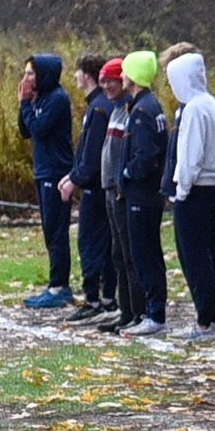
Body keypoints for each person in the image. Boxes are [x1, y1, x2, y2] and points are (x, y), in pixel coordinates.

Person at [161, 42, 215, 341]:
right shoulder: (209, 103)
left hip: (195, 190)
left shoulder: (194, 110)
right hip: (208, 188)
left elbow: (190, 156)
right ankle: (208, 316)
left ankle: (204, 320)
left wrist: (181, 189)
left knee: (195, 255)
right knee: (206, 253)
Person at [57, 51, 118, 324]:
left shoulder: (99, 107)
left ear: (87, 74)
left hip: (96, 188)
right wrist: (72, 173)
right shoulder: (97, 105)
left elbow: (93, 154)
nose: (75, 76)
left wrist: (76, 179)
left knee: (91, 242)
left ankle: (95, 299)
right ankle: (103, 299)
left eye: (78, 71)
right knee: (100, 242)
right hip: (94, 184)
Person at [115, 50, 171, 337]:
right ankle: (153, 311)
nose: (121, 76)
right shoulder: (148, 106)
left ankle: (154, 313)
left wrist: (127, 173)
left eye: (125, 71)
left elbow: (146, 154)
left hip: (142, 196)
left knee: (145, 254)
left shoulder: (142, 111)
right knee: (148, 252)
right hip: (146, 195)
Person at [16, 53, 74, 309]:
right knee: (49, 230)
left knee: (56, 230)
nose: (26, 78)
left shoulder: (57, 99)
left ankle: (59, 285)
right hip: (42, 171)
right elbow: (25, 131)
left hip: (55, 172)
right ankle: (54, 283)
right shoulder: (39, 98)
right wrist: (24, 104)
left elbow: (40, 128)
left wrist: (27, 106)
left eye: (31, 73)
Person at [92, 57, 140, 335]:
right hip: (110, 188)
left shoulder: (131, 110)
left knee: (128, 252)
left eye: (112, 80)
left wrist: (123, 181)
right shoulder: (114, 110)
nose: (107, 86)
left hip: (121, 190)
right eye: (104, 81)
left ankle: (136, 309)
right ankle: (125, 309)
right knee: (117, 253)